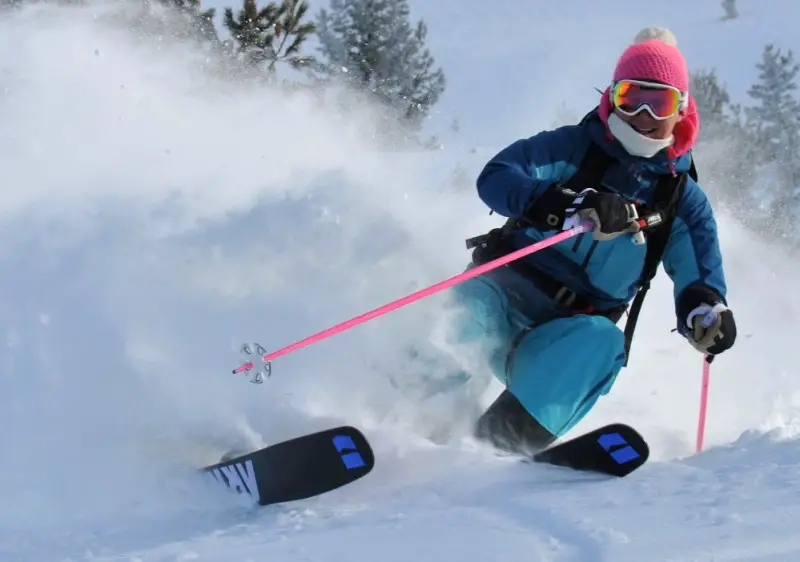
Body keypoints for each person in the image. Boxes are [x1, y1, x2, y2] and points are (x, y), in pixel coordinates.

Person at [449, 27, 737, 455]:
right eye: (630, 98)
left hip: (567, 333)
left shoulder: (679, 201)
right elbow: (498, 175)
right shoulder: (575, 148)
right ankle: (406, 423)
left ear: (681, 111)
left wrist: (704, 311)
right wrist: (562, 204)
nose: (643, 114)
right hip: (501, 294)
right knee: (463, 314)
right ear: (611, 98)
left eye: (659, 103)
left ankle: (496, 446)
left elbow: (699, 274)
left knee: (604, 344)